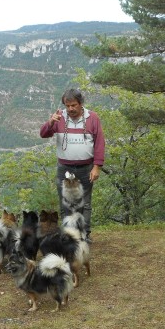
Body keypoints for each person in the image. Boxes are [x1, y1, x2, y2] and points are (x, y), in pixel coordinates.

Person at [40, 88, 105, 242]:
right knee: (65, 203)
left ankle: (84, 235)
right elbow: (43, 134)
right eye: (67, 106)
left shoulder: (92, 118)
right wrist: (50, 122)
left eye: (74, 105)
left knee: (85, 203)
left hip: (86, 168)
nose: (70, 109)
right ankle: (69, 236)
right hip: (65, 168)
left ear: (81, 104)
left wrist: (97, 166)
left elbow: (99, 143)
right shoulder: (59, 117)